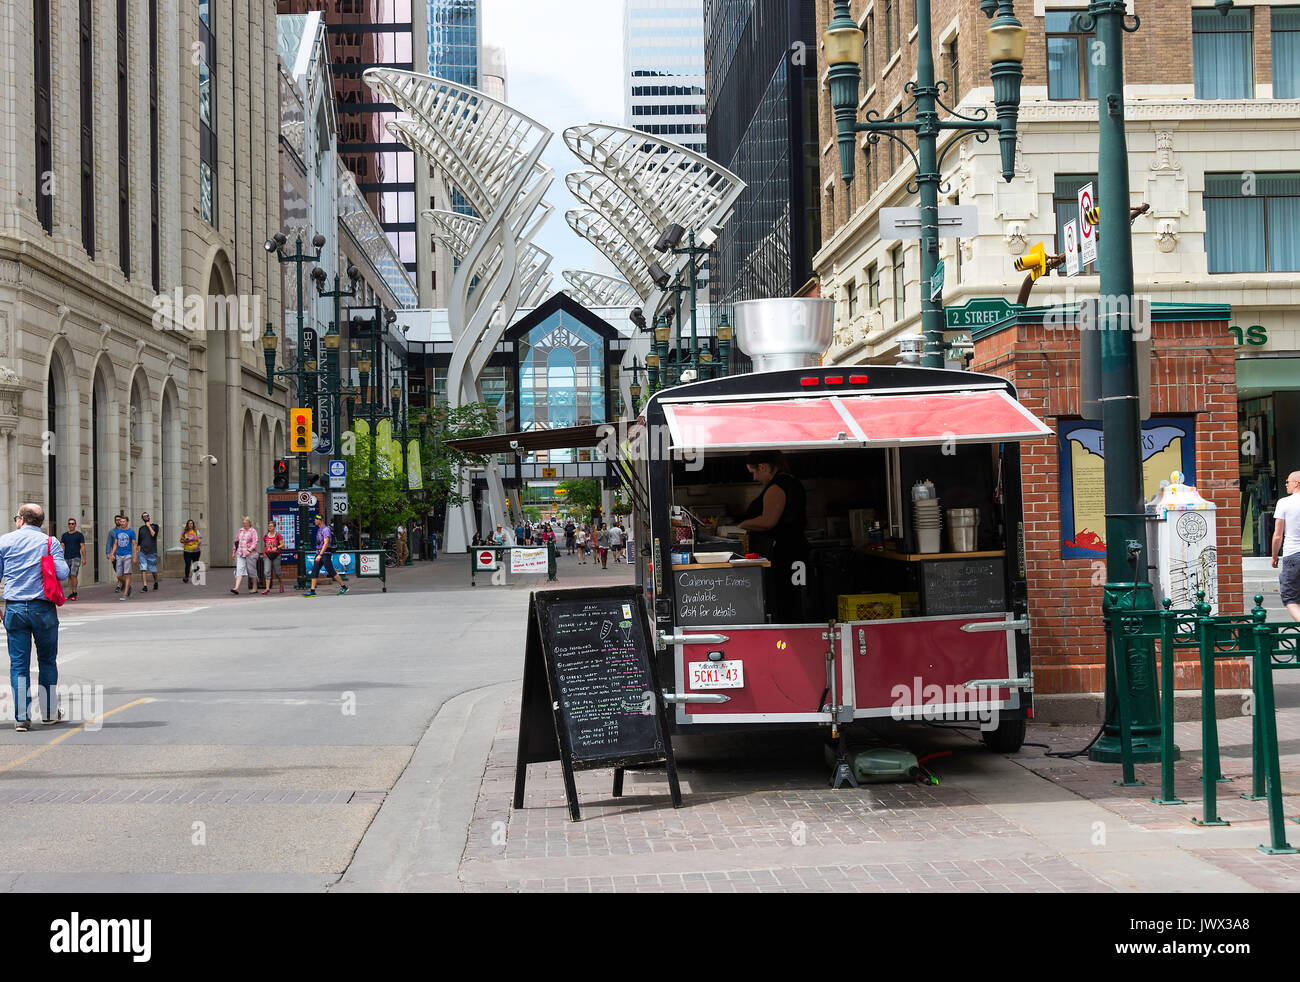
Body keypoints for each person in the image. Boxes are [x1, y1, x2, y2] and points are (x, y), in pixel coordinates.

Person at [1, 504, 69, 731]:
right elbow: (62, 573)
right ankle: (49, 712)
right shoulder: (49, 542)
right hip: (43, 609)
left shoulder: (5, 541)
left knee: (18, 665)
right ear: (40, 522)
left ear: (21, 519)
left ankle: (22, 717)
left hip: (15, 609)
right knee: (47, 660)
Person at [738, 449, 809, 623]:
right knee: (795, 599)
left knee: (786, 600)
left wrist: (740, 526)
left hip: (784, 554)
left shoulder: (777, 486)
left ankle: (788, 637)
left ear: (763, 467)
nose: (754, 478)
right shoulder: (791, 482)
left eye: (754, 472)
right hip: (795, 551)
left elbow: (768, 521)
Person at [1273, 470, 1300, 622]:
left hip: (1293, 555)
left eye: (1288, 481)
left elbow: (1278, 535)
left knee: (1290, 599)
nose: (1286, 484)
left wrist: (1275, 556)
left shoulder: (1284, 503)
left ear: (1296, 483)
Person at [305, 514, 349, 597]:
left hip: (325, 554)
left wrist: (320, 555)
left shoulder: (326, 529)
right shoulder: (319, 529)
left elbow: (326, 543)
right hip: (319, 553)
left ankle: (344, 587)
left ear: (320, 520)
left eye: (315, 519)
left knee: (331, 571)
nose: (314, 521)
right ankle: (312, 591)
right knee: (314, 571)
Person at [106, 515, 136, 602]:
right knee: (119, 576)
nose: (122, 523)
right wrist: (112, 553)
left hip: (127, 555)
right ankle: (127, 585)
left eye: (123, 521)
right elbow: (115, 543)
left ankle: (125, 593)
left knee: (127, 574)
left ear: (127, 522)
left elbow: (134, 544)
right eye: (121, 521)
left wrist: (135, 556)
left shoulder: (131, 532)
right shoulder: (118, 532)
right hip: (118, 555)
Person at [59, 518, 86, 601]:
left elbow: (82, 547)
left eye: (73, 524)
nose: (71, 525)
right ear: (68, 525)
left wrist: (84, 558)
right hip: (66, 557)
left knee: (73, 574)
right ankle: (71, 593)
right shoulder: (64, 535)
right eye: (70, 524)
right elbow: (62, 546)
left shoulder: (79, 535)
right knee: (69, 576)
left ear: (75, 525)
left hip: (76, 557)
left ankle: (74, 592)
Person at [232, 517, 259, 596]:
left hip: (250, 554)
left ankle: (255, 587)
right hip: (240, 553)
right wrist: (234, 551)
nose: (244, 524)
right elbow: (236, 541)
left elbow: (255, 542)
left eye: (246, 523)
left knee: (251, 571)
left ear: (249, 523)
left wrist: (249, 550)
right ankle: (236, 588)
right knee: (239, 570)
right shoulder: (241, 530)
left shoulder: (253, 531)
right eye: (243, 523)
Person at [136, 512, 161, 593]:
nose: (146, 517)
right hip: (142, 551)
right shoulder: (141, 528)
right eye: (144, 516)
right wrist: (138, 550)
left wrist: (149, 526)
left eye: (147, 516)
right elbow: (139, 541)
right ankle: (145, 586)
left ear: (149, 517)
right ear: (142, 518)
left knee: (153, 569)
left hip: (152, 551)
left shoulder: (155, 526)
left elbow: (154, 534)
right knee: (143, 568)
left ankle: (156, 581)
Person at [262, 521, 285, 595]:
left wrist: (277, 547)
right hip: (267, 555)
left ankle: (281, 585)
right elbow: (265, 546)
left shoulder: (278, 535)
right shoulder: (265, 536)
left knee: (278, 572)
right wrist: (263, 554)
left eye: (271, 526)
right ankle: (267, 588)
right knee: (267, 572)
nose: (270, 528)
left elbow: (283, 545)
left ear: (274, 527)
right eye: (269, 526)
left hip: (276, 555)